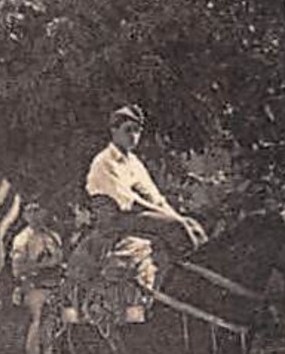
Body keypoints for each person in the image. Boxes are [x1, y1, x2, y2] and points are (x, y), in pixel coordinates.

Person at [85, 104, 207, 256]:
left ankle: (202, 264)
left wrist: (174, 214)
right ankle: (185, 264)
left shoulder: (134, 162)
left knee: (190, 224)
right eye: (127, 130)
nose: (133, 136)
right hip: (115, 218)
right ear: (114, 131)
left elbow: (153, 196)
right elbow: (129, 201)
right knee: (175, 226)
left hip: (134, 214)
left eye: (137, 131)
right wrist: (169, 216)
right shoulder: (104, 161)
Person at [9, 199, 64, 354]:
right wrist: (44, 266)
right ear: (25, 215)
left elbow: (61, 258)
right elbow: (18, 269)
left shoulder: (53, 236)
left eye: (38, 210)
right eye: (30, 211)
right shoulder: (22, 239)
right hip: (35, 287)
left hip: (57, 286)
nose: (35, 215)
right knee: (38, 321)